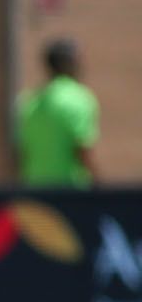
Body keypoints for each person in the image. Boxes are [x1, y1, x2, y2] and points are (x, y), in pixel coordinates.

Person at [16, 36, 100, 189]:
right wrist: (99, 186)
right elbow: (82, 150)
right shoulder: (79, 98)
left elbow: (21, 153)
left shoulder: (30, 102)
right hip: (71, 191)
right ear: (71, 63)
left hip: (36, 191)